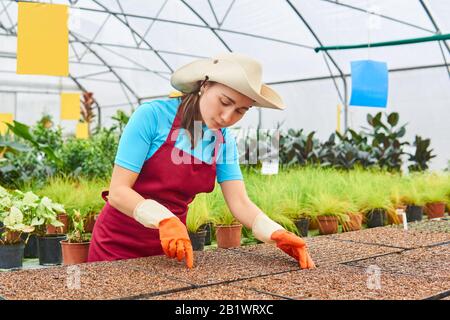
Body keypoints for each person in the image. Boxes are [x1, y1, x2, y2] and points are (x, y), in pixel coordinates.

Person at [88, 52, 315, 270]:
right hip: (116, 244)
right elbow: (118, 192)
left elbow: (239, 202)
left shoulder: (224, 141)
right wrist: (165, 220)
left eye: (240, 110)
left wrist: (276, 234)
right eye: (224, 101)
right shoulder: (152, 116)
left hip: (171, 246)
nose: (228, 117)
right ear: (204, 86)